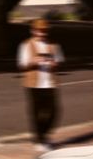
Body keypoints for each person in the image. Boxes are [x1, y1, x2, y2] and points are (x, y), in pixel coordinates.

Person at [18, 19, 64, 151]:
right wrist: (34, 61)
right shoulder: (26, 45)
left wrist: (54, 64)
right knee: (36, 113)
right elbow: (22, 65)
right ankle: (39, 139)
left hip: (50, 83)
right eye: (39, 30)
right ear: (33, 31)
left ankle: (43, 135)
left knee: (55, 111)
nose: (42, 33)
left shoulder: (54, 45)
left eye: (44, 30)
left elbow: (59, 62)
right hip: (33, 84)